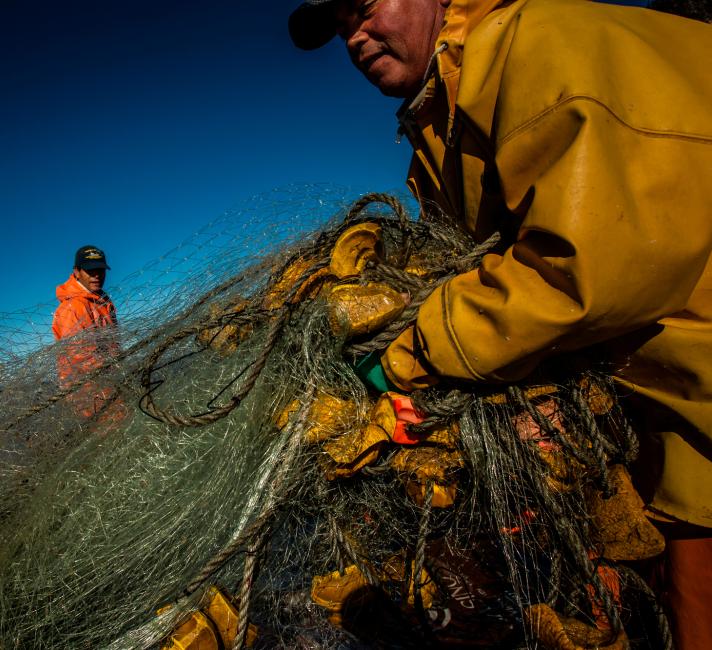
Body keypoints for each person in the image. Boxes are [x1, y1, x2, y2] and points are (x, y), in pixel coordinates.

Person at [289, 0, 712, 647]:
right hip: (662, 407)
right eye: (342, 25)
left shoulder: (540, 46)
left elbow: (585, 265)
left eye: (364, 6)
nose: (354, 37)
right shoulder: (437, 129)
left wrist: (400, 359)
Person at [52, 245, 119, 419]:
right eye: (90, 271)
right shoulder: (73, 307)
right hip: (90, 393)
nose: (96, 275)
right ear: (77, 271)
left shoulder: (102, 300)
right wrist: (120, 375)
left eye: (100, 270)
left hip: (112, 381)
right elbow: (81, 358)